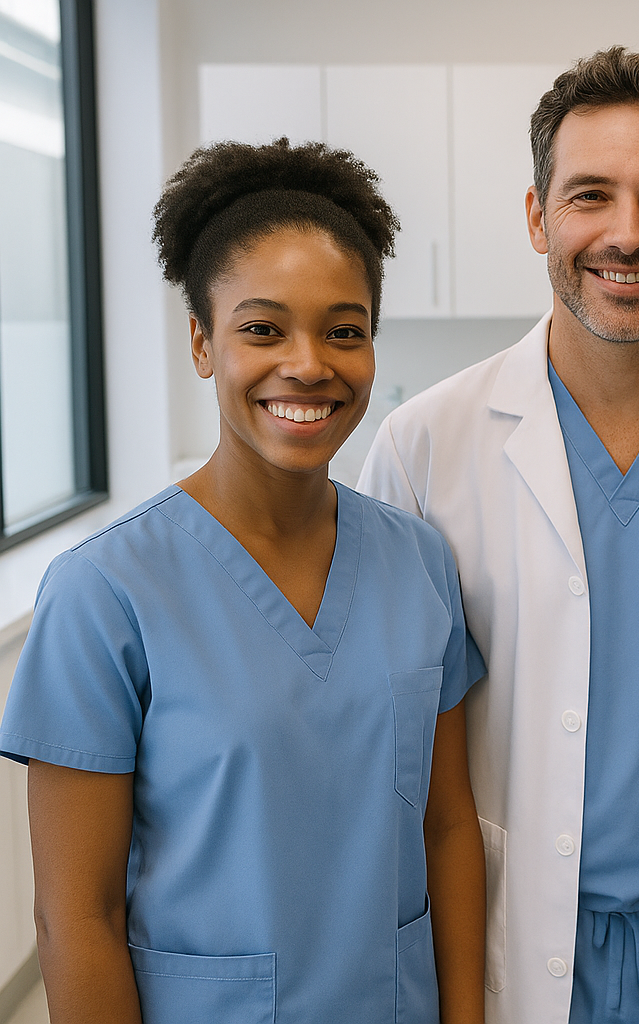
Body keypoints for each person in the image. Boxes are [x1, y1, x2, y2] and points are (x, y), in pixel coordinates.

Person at [358, 47, 639, 1024]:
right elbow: (383, 757)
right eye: (591, 194)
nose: (627, 234)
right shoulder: (424, 447)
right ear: (537, 217)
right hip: (508, 951)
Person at [0, 138, 487, 1023]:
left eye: (345, 330)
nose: (308, 364)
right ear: (201, 341)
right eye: (262, 328)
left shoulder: (420, 562)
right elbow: (78, 916)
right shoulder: (104, 594)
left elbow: (447, 828)